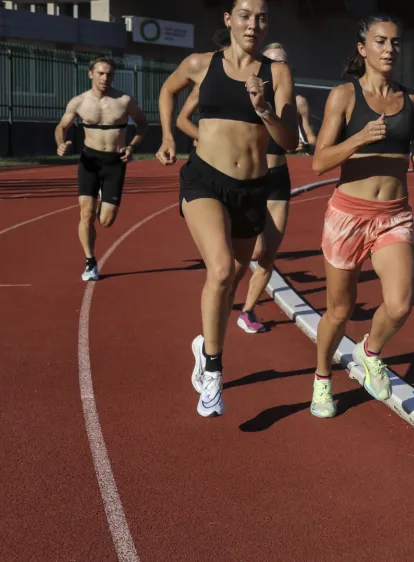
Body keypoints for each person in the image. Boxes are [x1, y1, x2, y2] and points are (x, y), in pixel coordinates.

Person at [155, 0, 298, 418]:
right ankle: (214, 374)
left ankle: (203, 346)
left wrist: (264, 108)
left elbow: (288, 140)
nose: (254, 24)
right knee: (219, 270)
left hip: (252, 189)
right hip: (204, 180)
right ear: (229, 20)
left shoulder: (277, 73)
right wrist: (166, 135)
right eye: (245, 15)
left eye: (262, 17)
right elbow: (167, 89)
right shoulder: (202, 64)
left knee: (233, 276)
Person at [308, 14, 414, 418]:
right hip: (348, 216)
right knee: (339, 311)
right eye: (380, 42)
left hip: (393, 215)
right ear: (363, 49)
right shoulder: (343, 96)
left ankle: (370, 350)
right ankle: (323, 378)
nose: (389, 49)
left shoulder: (413, 102)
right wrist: (358, 137)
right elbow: (319, 162)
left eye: (395, 42)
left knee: (399, 304)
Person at [176, 40, 317, 335]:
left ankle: (248, 310)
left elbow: (305, 139)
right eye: (274, 61)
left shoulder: (296, 99)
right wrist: (210, 141)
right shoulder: (229, 82)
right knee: (248, 255)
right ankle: (223, 296)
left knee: (267, 254)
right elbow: (184, 118)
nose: (279, 66)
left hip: (277, 176)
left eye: (284, 63)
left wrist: (304, 141)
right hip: (244, 177)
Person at [54, 56, 148, 281]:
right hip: (89, 160)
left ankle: (102, 200)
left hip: (115, 162)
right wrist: (60, 142)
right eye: (101, 73)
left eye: (109, 74)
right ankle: (90, 262)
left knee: (106, 220)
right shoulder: (79, 102)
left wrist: (132, 146)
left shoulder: (124, 100)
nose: (105, 78)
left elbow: (143, 124)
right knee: (85, 214)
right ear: (90, 74)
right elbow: (62, 126)